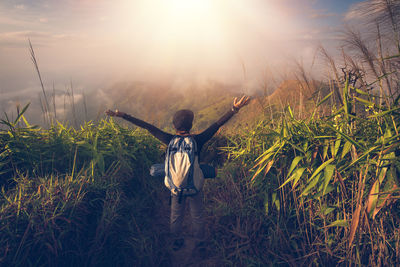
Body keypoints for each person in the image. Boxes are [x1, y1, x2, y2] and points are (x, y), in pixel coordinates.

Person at [105, 95, 250, 251]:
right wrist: (234, 109)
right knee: (198, 216)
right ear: (191, 125)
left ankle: (177, 241)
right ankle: (200, 241)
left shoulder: (169, 139)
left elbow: (147, 126)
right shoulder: (198, 140)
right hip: (195, 186)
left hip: (176, 187)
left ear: (174, 125)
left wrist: (122, 115)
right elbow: (217, 125)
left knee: (175, 216)